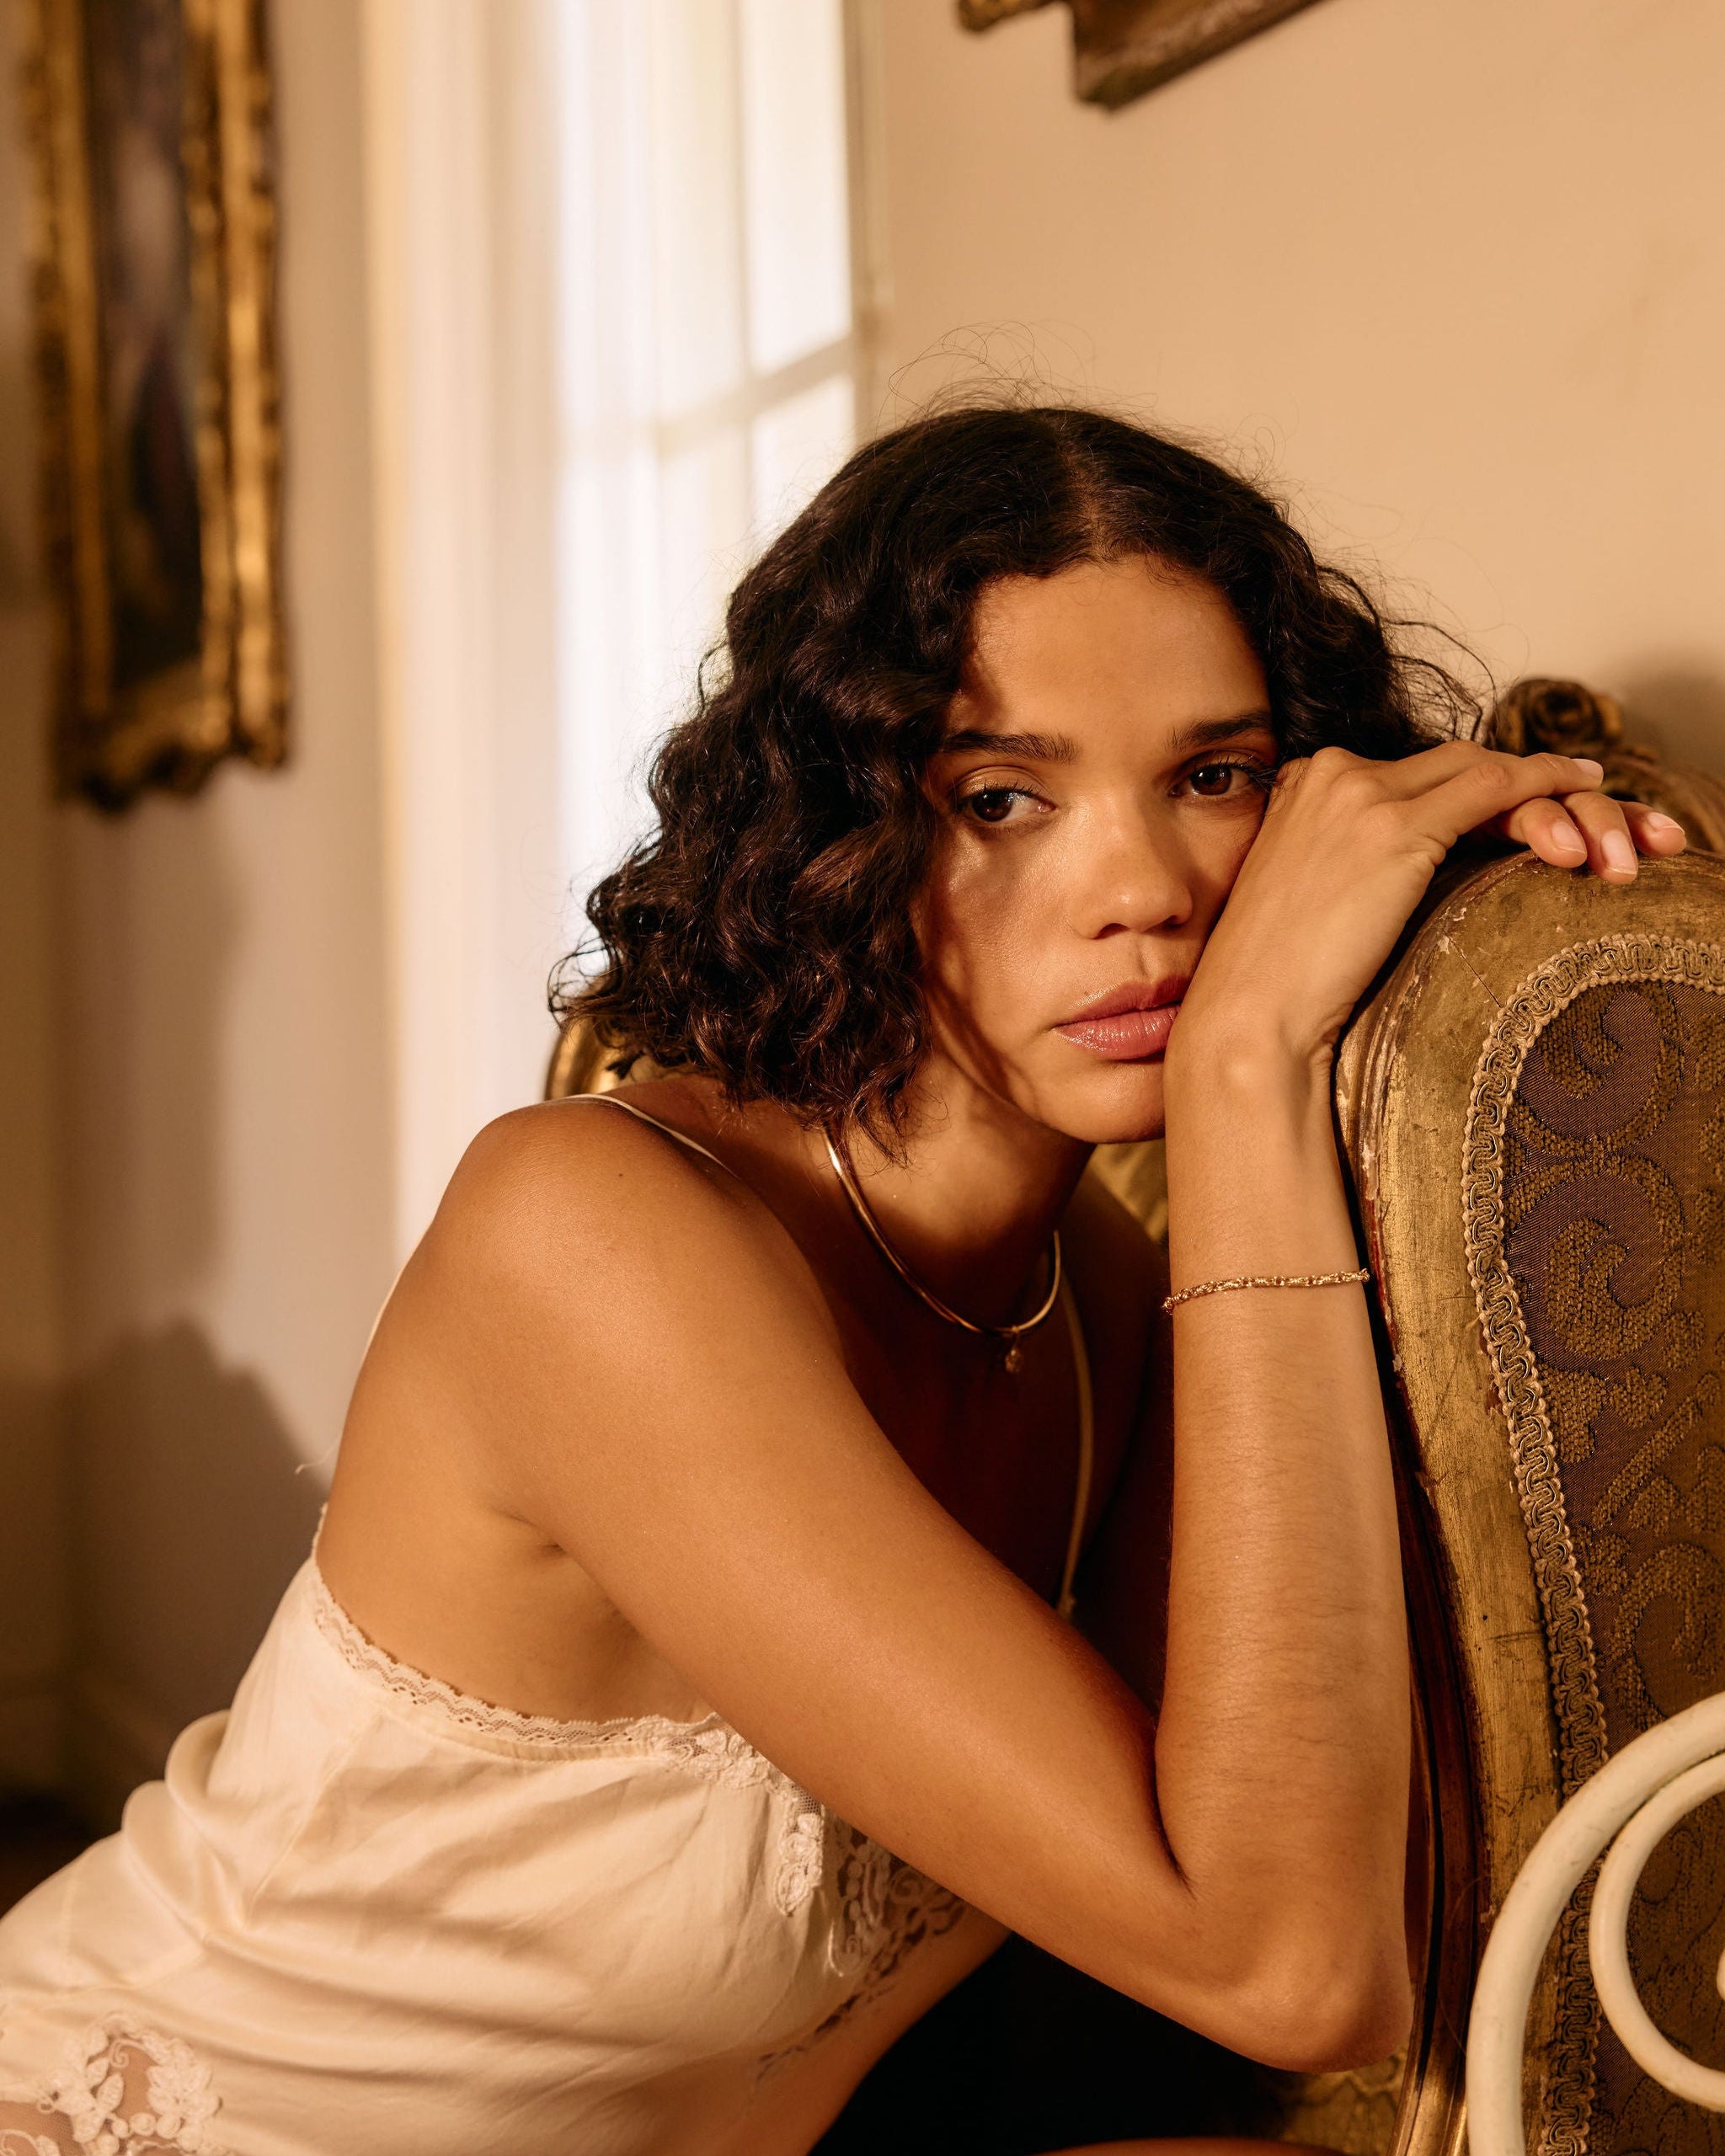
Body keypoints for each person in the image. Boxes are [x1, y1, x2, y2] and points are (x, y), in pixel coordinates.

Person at [0, 408, 1683, 2156]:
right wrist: (1246, 1063)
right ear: (839, 827)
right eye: (998, 797)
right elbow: (1285, 1971)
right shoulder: (585, 1233)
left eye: (1215, 776)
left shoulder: (1095, 1302)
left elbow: (1298, 1910)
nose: (1144, 892)